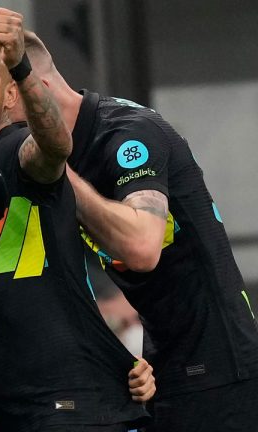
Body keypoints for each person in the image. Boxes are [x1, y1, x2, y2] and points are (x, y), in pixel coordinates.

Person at [21, 30, 258, 431]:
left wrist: (59, 172)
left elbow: (143, 247)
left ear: (37, 91)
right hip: (160, 363)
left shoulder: (127, 133)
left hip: (219, 370)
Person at [0, 12, 153, 430]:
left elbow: (53, 146)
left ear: (11, 95)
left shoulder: (16, 152)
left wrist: (21, 66)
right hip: (18, 414)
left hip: (72, 410)